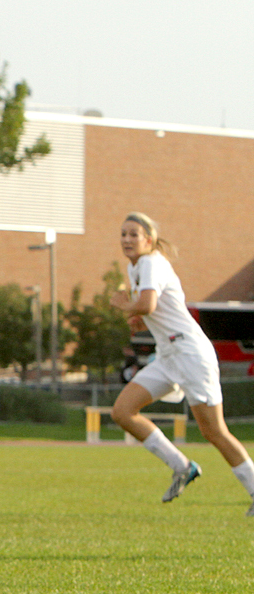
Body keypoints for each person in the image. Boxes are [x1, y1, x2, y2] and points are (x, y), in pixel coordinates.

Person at [109, 212, 254, 514]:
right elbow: (152, 310)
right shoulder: (135, 266)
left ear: (148, 239)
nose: (127, 239)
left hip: (190, 354)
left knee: (214, 431)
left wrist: (126, 306)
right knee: (123, 411)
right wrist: (137, 317)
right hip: (168, 355)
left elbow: (147, 303)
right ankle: (182, 466)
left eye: (134, 234)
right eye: (123, 234)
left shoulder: (151, 262)